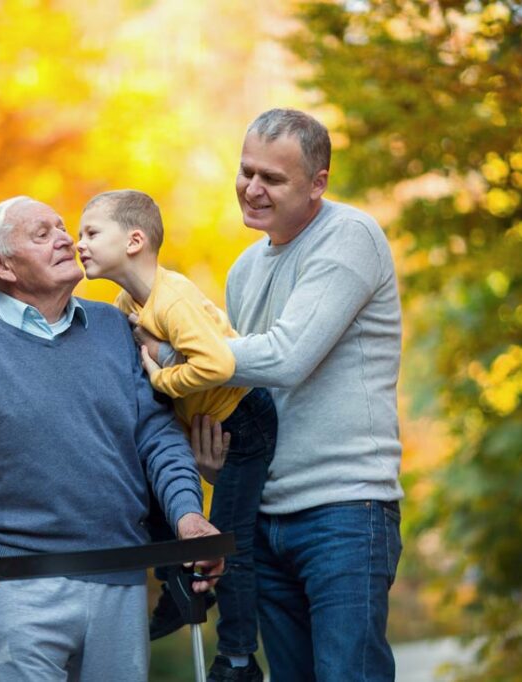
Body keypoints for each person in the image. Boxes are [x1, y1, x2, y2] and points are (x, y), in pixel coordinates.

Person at [136, 108, 404, 681]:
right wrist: (218, 463)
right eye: (246, 171)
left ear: (318, 182)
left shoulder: (349, 237)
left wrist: (175, 358)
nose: (252, 189)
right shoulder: (243, 269)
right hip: (263, 517)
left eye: (273, 179)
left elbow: (287, 356)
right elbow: (249, 398)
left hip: (345, 512)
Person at [0, 196, 223, 682]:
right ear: (1, 265)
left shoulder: (116, 328)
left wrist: (188, 515)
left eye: (63, 227)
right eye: (42, 234)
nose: (66, 239)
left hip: (121, 578)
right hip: (15, 587)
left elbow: (157, 436)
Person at [76, 189, 277, 682]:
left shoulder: (173, 299)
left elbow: (219, 363)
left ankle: (237, 659)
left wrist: (164, 379)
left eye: (90, 233)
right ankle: (175, 587)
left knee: (229, 539)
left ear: (134, 240)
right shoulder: (130, 300)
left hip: (244, 416)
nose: (78, 243)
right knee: (149, 493)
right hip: (209, 419)